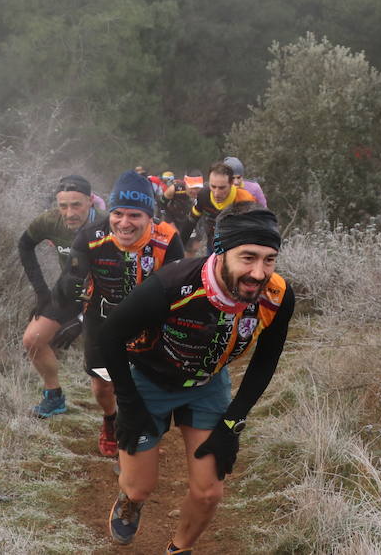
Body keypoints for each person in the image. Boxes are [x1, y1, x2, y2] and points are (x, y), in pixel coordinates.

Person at [99, 205, 295, 552]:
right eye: (247, 258)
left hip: (207, 385)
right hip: (150, 380)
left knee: (209, 492)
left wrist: (234, 420)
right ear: (220, 252)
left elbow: (266, 359)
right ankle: (131, 500)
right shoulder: (174, 284)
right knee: (139, 486)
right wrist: (127, 404)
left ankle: (180, 548)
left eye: (269, 260)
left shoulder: (277, 296)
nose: (258, 272)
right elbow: (110, 336)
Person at [65, 170, 184, 457]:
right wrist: (68, 316)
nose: (124, 223)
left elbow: (178, 289)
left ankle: (144, 430)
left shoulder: (167, 239)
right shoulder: (91, 235)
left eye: (135, 216)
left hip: (148, 321)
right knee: (103, 384)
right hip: (102, 319)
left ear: (149, 217)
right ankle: (110, 420)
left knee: (144, 380)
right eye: (118, 214)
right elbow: (71, 280)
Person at [19, 175, 100, 418]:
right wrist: (42, 292)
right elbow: (25, 245)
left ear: (90, 201)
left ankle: (119, 411)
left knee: (106, 362)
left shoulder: (108, 225)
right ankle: (53, 397)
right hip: (69, 289)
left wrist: (82, 320)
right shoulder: (50, 221)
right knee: (33, 339)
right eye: (63, 205)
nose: (69, 213)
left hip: (108, 296)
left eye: (76, 205)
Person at [179, 162, 256, 255]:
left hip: (237, 251)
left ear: (231, 183)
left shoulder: (245, 199)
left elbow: (255, 231)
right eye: (213, 186)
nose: (216, 193)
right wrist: (178, 248)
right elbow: (191, 221)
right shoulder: (204, 195)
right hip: (212, 246)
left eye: (222, 188)